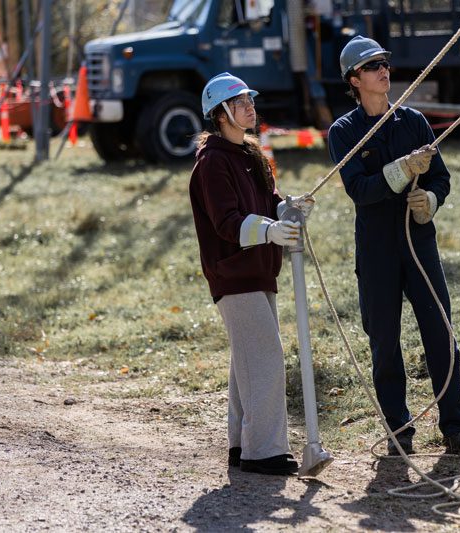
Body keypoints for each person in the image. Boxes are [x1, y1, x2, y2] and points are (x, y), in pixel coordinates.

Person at [327, 36, 460, 456]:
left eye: (385, 64)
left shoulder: (412, 121)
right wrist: (400, 170)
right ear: (354, 79)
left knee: (440, 332)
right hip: (376, 251)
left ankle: (456, 427)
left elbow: (441, 178)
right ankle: (399, 431)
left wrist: (430, 200)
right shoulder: (344, 132)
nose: (383, 71)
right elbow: (359, 190)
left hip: (419, 245)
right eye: (373, 66)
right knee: (385, 341)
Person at [189, 72, 314, 475]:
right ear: (220, 113)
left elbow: (270, 199)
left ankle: (242, 445)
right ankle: (265, 452)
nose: (249, 106)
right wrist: (270, 230)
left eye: (249, 100)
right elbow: (227, 222)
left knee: (249, 359)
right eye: (239, 102)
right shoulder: (211, 164)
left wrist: (288, 209)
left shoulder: (251, 154)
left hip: (262, 272)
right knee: (265, 359)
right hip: (233, 275)